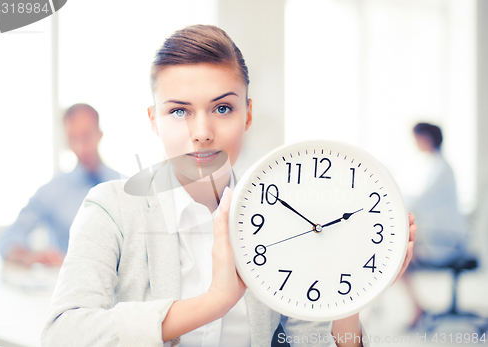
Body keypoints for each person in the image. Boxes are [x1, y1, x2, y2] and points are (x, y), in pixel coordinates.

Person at [41, 25, 417, 346]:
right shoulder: (112, 208)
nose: (202, 133)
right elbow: (64, 332)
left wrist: (350, 300)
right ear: (154, 120)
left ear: (247, 114)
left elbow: (312, 338)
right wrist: (215, 301)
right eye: (178, 111)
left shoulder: (285, 214)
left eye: (222, 108)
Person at [0, 103, 119, 267]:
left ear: (99, 135)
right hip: (64, 286)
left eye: (86, 136)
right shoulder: (52, 191)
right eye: (73, 139)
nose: (80, 147)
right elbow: (9, 236)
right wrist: (28, 257)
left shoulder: (125, 187)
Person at [403, 122, 467, 328]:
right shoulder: (438, 167)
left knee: (400, 259)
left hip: (445, 241)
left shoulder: (441, 169)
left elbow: (420, 201)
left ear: (427, 138)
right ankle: (418, 308)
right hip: (443, 237)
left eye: (417, 138)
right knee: (402, 257)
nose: (415, 143)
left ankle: (418, 309)